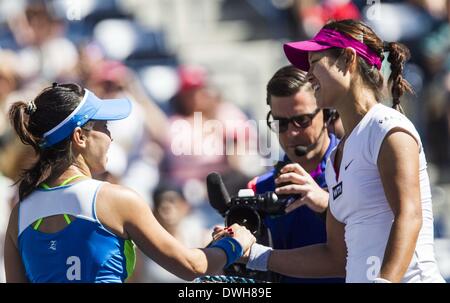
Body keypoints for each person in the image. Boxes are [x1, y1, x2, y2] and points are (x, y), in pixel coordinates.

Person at [222, 19, 445, 283]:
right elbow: (336, 258)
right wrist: (253, 253)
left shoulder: (388, 128)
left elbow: (409, 216)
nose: (308, 75)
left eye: (315, 63)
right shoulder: (339, 154)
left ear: (348, 60)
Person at [3, 83, 255, 283]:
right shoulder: (116, 200)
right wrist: (235, 242)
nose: (110, 137)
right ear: (79, 136)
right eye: (105, 126)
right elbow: (192, 267)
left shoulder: (19, 214)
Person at [247, 65, 343, 283]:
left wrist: (328, 206)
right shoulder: (260, 188)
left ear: (328, 113)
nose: (291, 133)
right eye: (280, 123)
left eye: (302, 120)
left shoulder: (359, 171)